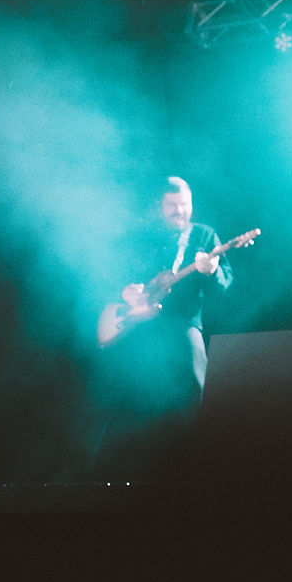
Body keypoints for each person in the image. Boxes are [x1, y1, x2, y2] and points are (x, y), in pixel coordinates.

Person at [90, 175, 233, 479]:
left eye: (184, 204)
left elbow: (225, 286)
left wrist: (212, 271)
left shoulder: (205, 235)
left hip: (184, 323)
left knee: (196, 384)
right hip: (140, 325)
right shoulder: (143, 236)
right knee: (122, 391)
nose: (179, 211)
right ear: (160, 206)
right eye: (172, 205)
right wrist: (126, 291)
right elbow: (114, 273)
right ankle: (107, 472)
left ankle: (202, 469)